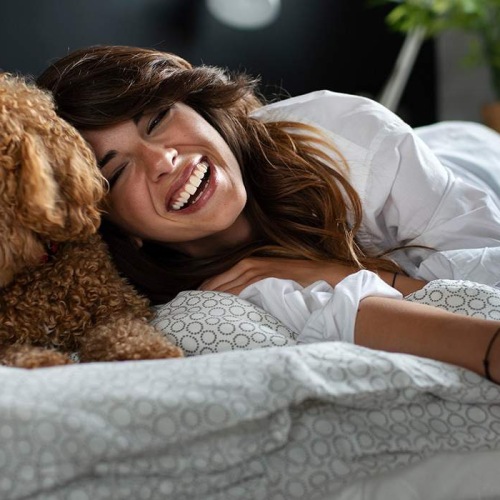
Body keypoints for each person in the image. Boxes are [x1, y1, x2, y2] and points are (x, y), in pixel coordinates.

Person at [37, 45, 500, 382]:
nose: (163, 161)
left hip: (474, 158)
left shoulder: (346, 135)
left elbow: (485, 274)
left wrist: (333, 272)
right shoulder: (202, 300)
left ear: (201, 109)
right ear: (116, 226)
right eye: (116, 173)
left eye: (158, 120)